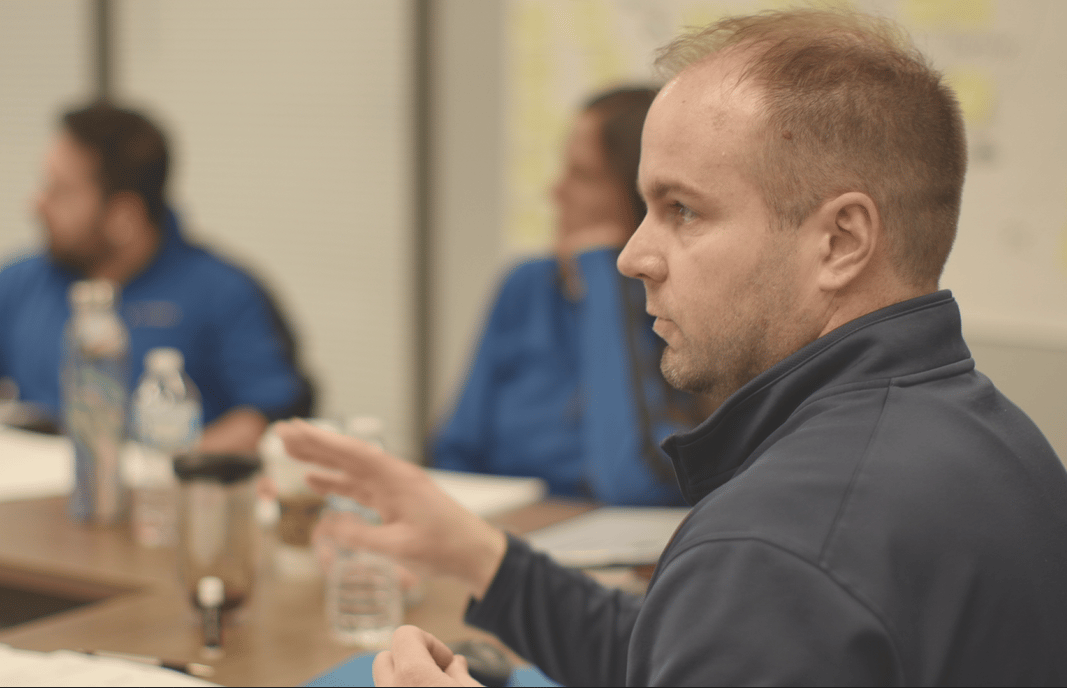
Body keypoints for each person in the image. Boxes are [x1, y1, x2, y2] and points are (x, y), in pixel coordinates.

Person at [277, 8, 1067, 686]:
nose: (633, 255)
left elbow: (739, 617)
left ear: (841, 241)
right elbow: (692, 651)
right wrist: (482, 555)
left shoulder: (775, 547)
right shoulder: (996, 438)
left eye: (682, 210)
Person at [432, 87, 704, 506]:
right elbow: (454, 452)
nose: (556, 193)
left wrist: (606, 280)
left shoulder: (690, 313)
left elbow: (633, 482)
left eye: (584, 175)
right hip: (506, 539)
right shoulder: (526, 287)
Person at [0, 101, 313, 452]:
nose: (36, 204)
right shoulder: (19, 282)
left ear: (125, 217)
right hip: (42, 490)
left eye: (61, 192)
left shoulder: (224, 292)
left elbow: (270, 414)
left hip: (168, 491)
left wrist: (163, 474)